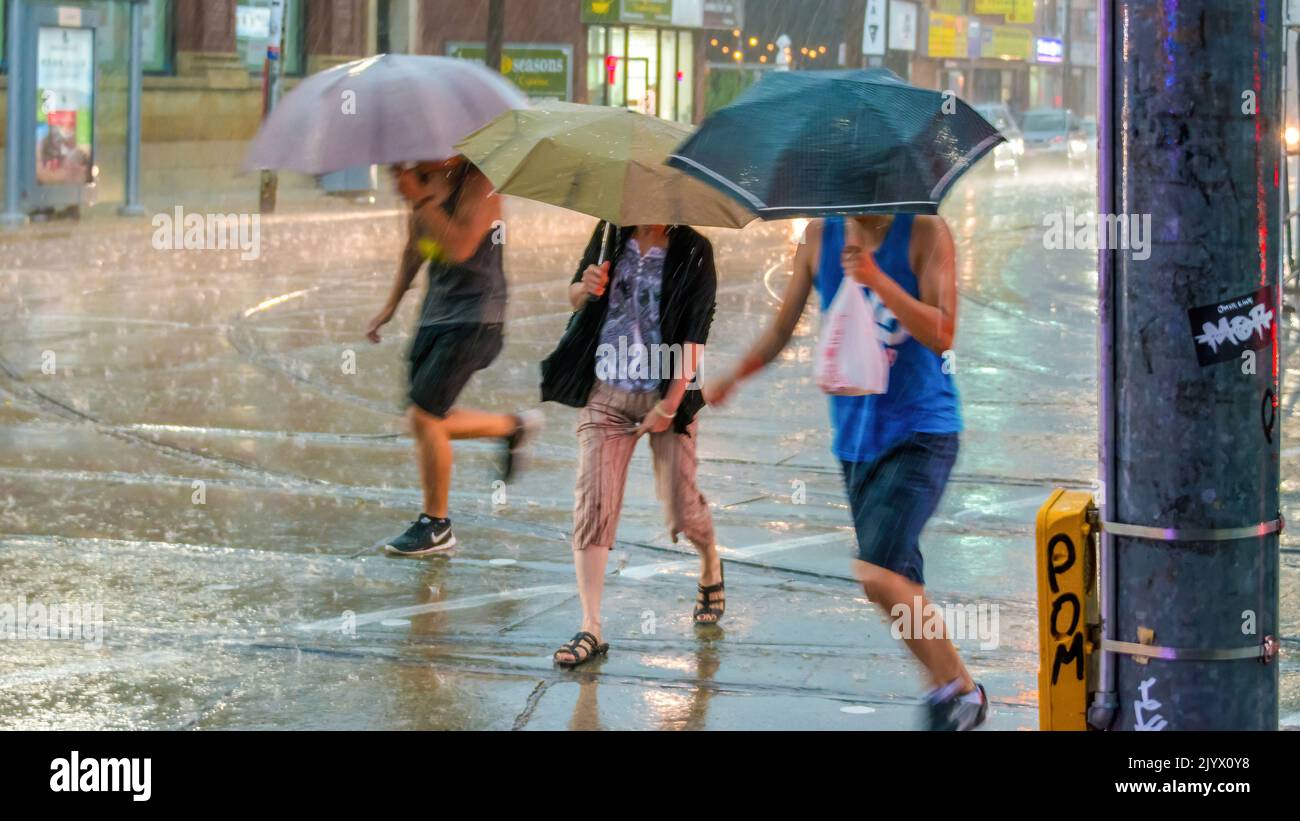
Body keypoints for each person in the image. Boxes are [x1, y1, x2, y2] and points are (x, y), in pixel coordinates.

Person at [705, 213, 988, 731]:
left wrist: (878, 279)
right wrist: (730, 378)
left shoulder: (926, 234)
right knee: (901, 586)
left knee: (876, 573)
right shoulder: (818, 238)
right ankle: (948, 694)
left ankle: (964, 692)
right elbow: (779, 330)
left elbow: (943, 333)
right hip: (855, 442)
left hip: (922, 431)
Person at [540, 222, 722, 668]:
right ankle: (591, 625)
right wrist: (585, 288)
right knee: (594, 500)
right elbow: (575, 297)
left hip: (665, 393)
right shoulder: (610, 233)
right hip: (605, 389)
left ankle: (710, 563)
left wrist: (670, 404)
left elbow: (695, 334)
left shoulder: (695, 249)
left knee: (681, 508)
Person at [367, 158, 541, 556]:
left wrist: (420, 198)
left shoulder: (479, 181)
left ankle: (436, 525)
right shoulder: (425, 179)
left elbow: (460, 247)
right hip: (436, 314)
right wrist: (391, 305)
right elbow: (416, 247)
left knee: (425, 415)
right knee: (427, 417)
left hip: (477, 317)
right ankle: (512, 427)